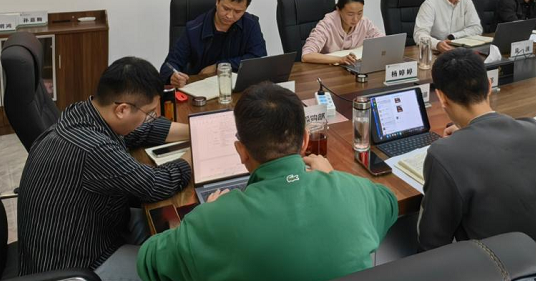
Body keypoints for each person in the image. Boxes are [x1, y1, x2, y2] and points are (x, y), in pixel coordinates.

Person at [136, 82, 398, 281]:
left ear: (241, 151)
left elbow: (148, 262)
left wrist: (205, 216)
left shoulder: (215, 220)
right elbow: (389, 203)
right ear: (305, 141)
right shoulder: (354, 191)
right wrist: (332, 179)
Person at [418, 49, 536, 281]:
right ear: (489, 85)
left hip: (511, 274)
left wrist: (464, 138)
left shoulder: (444, 154)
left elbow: (431, 245)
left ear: (442, 98)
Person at [18, 57, 193, 276]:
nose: (151, 118)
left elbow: (140, 131)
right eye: (149, 113)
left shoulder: (85, 112)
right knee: (179, 268)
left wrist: (195, 130)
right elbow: (156, 184)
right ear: (122, 110)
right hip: (77, 264)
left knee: (174, 233)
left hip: (97, 228)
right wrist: (194, 153)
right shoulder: (93, 148)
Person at [161, 0, 267, 88]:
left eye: (237, 11)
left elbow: (259, 58)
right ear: (217, 1)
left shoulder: (251, 24)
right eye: (226, 8)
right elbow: (169, 65)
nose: (230, 16)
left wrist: (218, 67)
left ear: (245, 9)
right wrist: (172, 76)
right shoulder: (193, 29)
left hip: (237, 87)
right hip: (200, 87)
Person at [301, 0, 385, 65]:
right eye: (350, 14)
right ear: (338, 9)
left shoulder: (364, 22)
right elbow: (306, 55)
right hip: (328, 70)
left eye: (359, 13)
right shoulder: (327, 24)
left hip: (353, 67)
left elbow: (384, 42)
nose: (356, 19)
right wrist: (340, 59)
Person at [414, 0, 483, 53]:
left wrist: (453, 36)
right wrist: (437, 44)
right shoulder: (430, 4)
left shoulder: (466, 0)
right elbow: (419, 35)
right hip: (436, 52)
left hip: (460, 50)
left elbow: (476, 28)